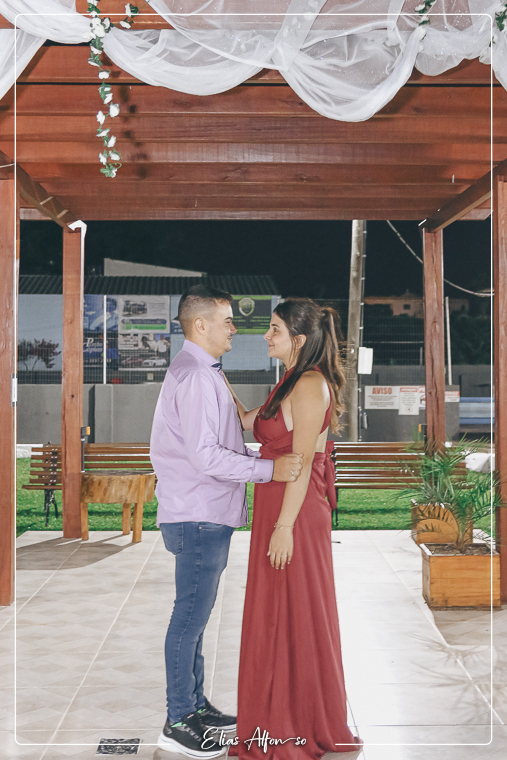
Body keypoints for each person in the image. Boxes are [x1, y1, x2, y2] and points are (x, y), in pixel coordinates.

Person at [150, 285, 304, 759]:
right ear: (200, 325)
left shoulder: (200, 371)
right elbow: (206, 456)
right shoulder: (196, 376)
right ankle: (179, 720)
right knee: (189, 619)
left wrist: (262, 457)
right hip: (198, 514)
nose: (235, 328)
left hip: (202, 511)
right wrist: (269, 469)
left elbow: (223, 441)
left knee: (195, 618)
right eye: (227, 320)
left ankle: (195, 706)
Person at [228, 298, 363, 760]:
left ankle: (300, 721)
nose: (267, 336)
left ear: (299, 339)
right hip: (277, 504)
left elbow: (302, 463)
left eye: (275, 329)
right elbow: (245, 422)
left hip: (296, 512)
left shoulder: (309, 385)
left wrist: (284, 526)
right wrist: (213, 373)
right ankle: (274, 715)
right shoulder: (287, 382)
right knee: (274, 610)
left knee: (297, 609)